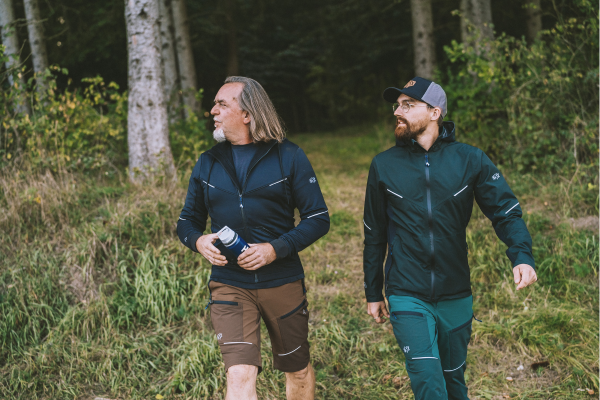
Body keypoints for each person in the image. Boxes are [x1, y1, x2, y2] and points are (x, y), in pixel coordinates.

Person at [362, 76, 537, 399]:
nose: (397, 112)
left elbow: (505, 212)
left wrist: (522, 255)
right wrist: (373, 291)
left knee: (453, 382)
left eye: (408, 105)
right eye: (397, 106)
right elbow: (374, 233)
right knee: (429, 381)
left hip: (455, 291)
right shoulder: (384, 165)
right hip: (406, 290)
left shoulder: (470, 159)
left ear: (435, 112)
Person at [177, 76, 329, 400]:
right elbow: (187, 220)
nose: (212, 111)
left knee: (297, 370)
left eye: (221, 104)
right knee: (239, 373)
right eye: (214, 104)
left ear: (247, 114)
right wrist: (197, 241)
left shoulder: (288, 156)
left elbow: (318, 218)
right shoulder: (208, 162)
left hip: (282, 280)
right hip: (229, 284)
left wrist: (274, 249)